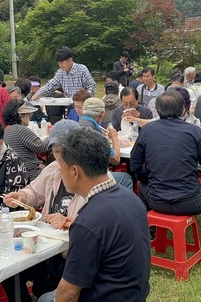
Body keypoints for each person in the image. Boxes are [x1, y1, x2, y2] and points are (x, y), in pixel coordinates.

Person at [39, 129, 150, 302]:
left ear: (75, 172)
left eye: (61, 168)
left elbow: (68, 293)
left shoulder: (87, 222)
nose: (60, 174)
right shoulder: (131, 198)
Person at [131, 90, 201, 256]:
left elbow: (135, 164)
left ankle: (151, 231)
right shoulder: (194, 131)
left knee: (143, 185)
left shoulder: (147, 131)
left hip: (156, 200)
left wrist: (148, 177)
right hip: (190, 202)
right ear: (183, 109)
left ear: (158, 110)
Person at [3, 120, 86, 300]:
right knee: (7, 270)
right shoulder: (53, 169)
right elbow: (35, 190)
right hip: (43, 242)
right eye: (56, 151)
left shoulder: (89, 175)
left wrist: (68, 221)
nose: (60, 157)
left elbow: (92, 222)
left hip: (69, 252)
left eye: (65, 151)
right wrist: (21, 197)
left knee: (45, 290)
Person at [77, 97, 133, 189]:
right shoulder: (95, 134)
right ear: (102, 114)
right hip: (92, 177)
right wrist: (114, 137)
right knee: (126, 178)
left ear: (83, 111)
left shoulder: (76, 125)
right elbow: (115, 160)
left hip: (77, 173)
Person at [3, 100, 47, 182]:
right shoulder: (19, 129)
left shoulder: (7, 129)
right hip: (30, 175)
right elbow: (41, 147)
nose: (29, 116)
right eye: (28, 114)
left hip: (18, 173)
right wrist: (50, 138)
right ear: (21, 115)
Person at [32, 46, 96, 99]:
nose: (60, 66)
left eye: (62, 62)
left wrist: (84, 98)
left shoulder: (82, 69)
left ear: (70, 60)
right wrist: (38, 94)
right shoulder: (60, 72)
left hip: (82, 103)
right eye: (59, 63)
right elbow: (51, 85)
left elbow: (92, 86)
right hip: (68, 103)